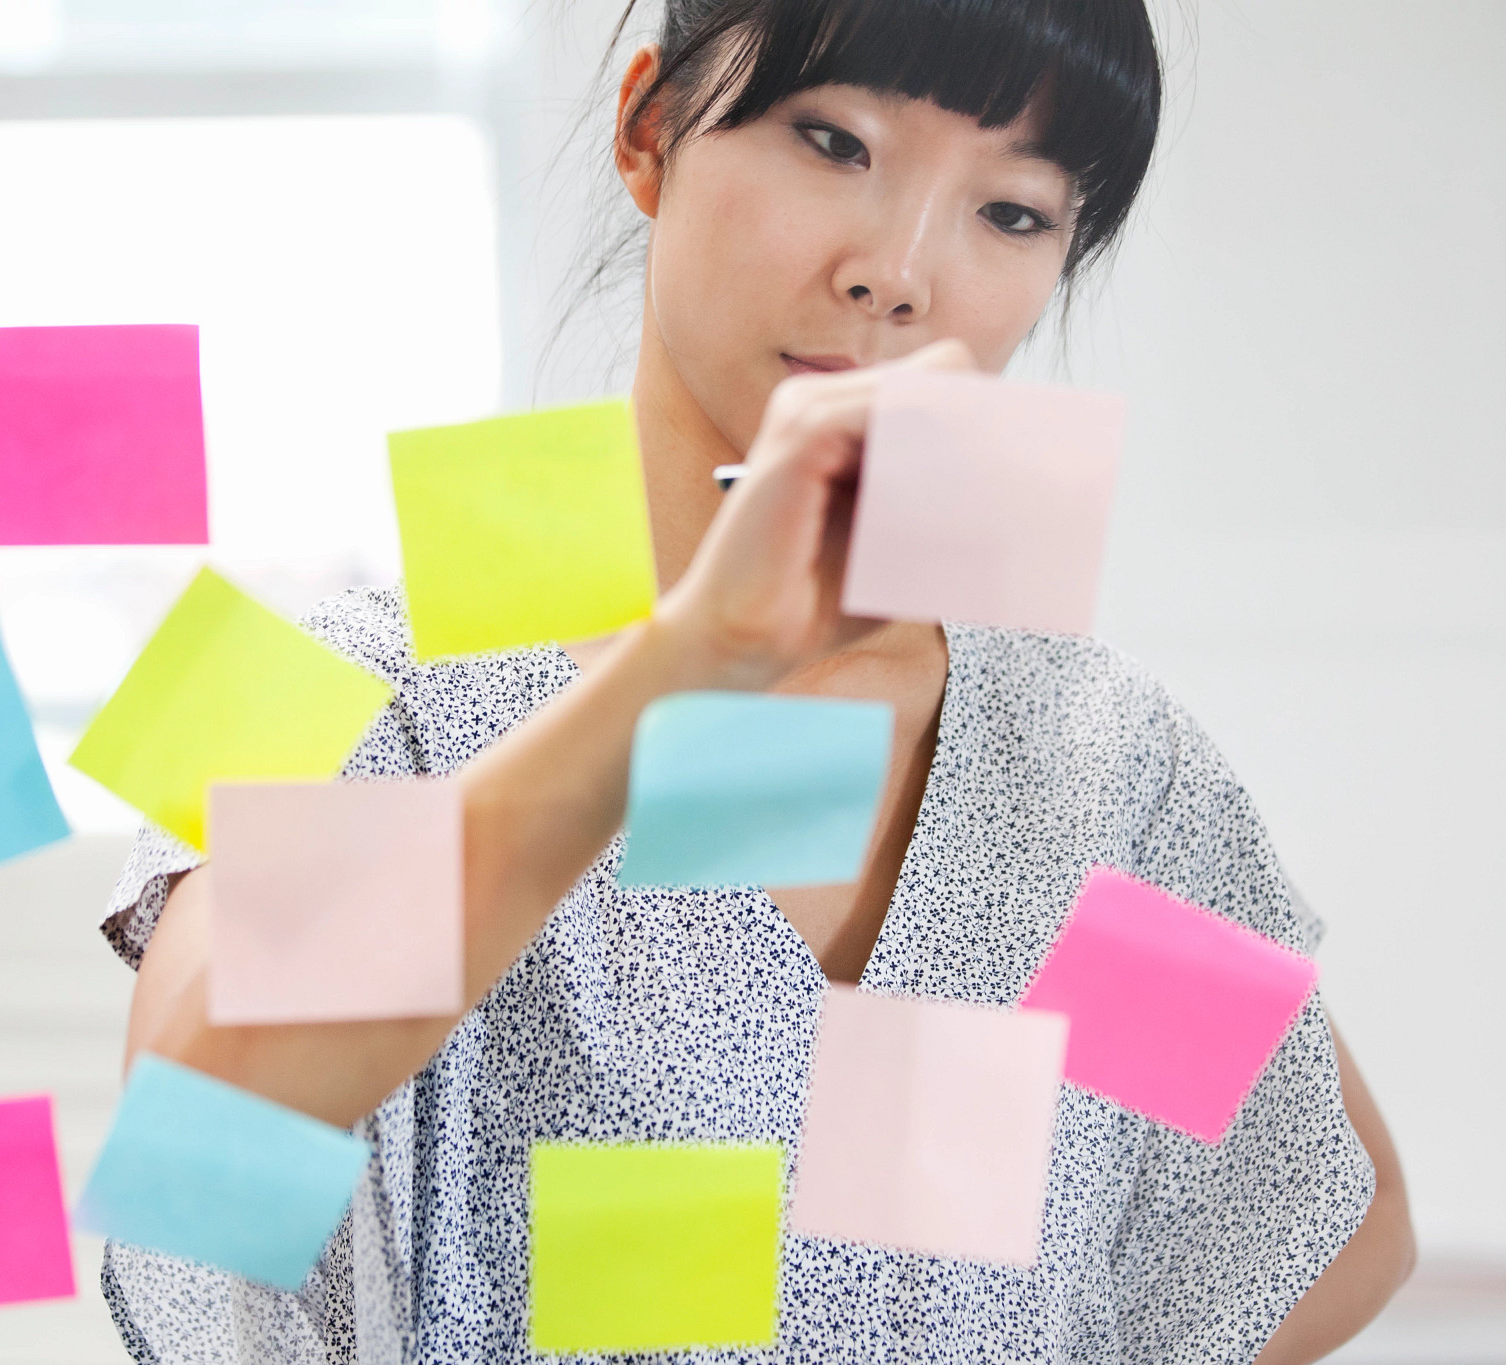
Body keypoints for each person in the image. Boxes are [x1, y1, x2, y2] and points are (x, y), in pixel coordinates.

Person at [99, 0, 1416, 1358]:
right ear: (648, 127)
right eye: (834, 139)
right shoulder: (307, 666)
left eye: (1012, 213)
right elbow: (194, 1123)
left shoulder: (1107, 765)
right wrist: (692, 662)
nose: (899, 271)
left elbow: (1331, 1214)